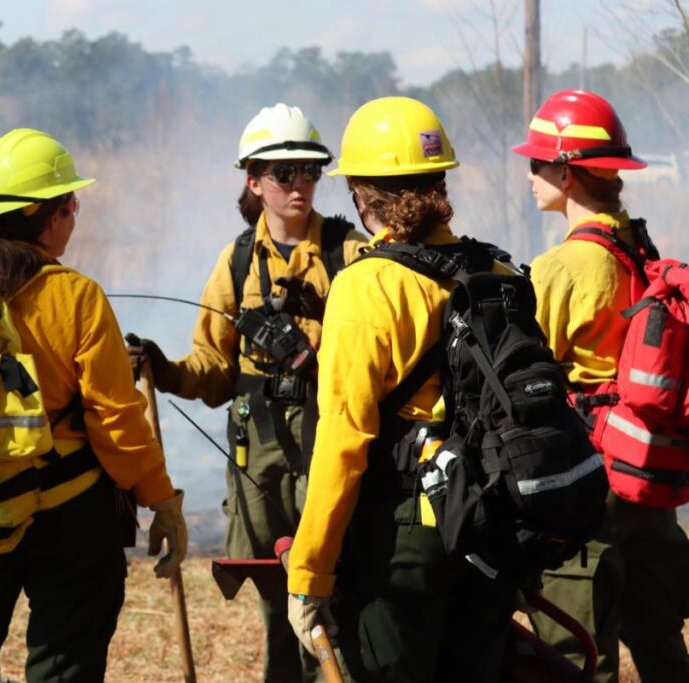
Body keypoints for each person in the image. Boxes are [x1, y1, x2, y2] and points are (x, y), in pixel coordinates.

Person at [0, 128, 188, 682]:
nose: (74, 216)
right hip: (70, 513)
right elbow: (116, 420)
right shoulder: (76, 295)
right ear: (51, 214)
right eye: (72, 203)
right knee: (65, 663)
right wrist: (162, 499)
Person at [127, 103, 367, 682]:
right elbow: (211, 368)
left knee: (332, 583)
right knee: (271, 590)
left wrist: (324, 330)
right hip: (256, 456)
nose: (299, 185)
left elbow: (377, 352)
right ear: (254, 181)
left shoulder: (349, 253)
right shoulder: (236, 263)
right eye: (283, 174)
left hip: (328, 443)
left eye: (309, 172)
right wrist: (162, 368)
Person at [286, 97, 519, 682]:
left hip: (405, 537)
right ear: (440, 183)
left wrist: (310, 575)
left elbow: (342, 441)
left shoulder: (367, 286)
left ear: (364, 194)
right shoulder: (500, 274)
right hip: (491, 524)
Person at [512, 88, 689, 682]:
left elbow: (522, 377)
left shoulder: (559, 268)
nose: (531, 175)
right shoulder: (641, 250)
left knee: (576, 654)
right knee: (662, 645)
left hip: (589, 484)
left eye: (538, 163)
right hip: (651, 476)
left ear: (566, 170)